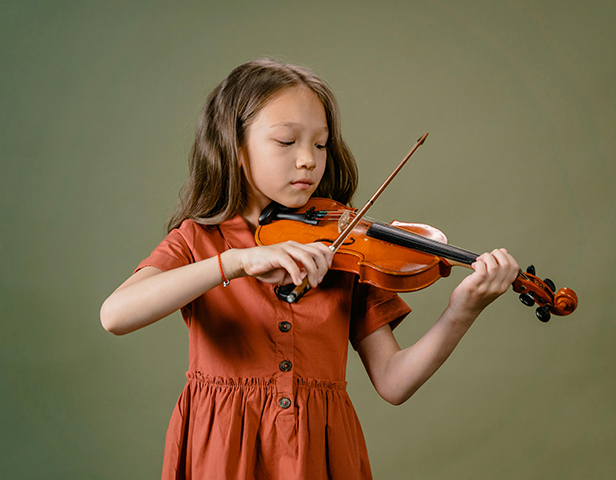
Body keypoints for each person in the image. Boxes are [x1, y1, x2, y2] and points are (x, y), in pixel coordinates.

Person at [100, 58, 519, 479]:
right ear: (234, 146)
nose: (308, 160)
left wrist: (462, 311)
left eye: (320, 145)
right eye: (286, 142)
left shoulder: (347, 244)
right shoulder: (200, 240)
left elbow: (394, 382)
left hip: (321, 454)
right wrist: (237, 262)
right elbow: (116, 315)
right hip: (223, 453)